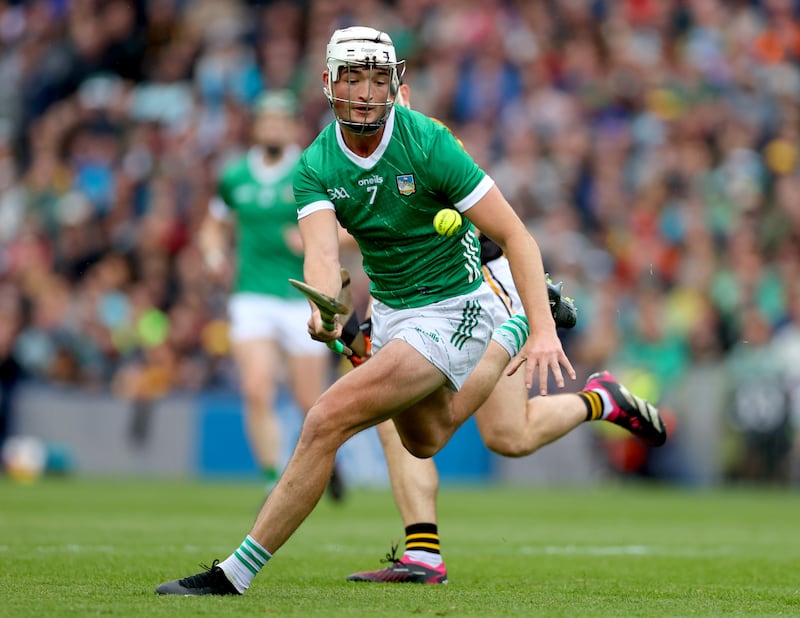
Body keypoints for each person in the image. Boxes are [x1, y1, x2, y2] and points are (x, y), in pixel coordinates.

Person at [154, 26, 654, 596]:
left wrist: (543, 330)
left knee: (324, 419)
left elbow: (516, 235)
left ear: (396, 84)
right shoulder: (316, 165)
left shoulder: (429, 142)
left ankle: (234, 574)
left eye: (377, 78)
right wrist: (325, 307)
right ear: (328, 83)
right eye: (353, 78)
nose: (366, 92)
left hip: (458, 304)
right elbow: (320, 254)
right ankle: (598, 397)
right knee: (437, 437)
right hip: (393, 310)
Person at [342, 84, 667, 584]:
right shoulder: (357, 156)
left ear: (402, 93)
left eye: (382, 90)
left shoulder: (431, 143)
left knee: (507, 437)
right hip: (418, 304)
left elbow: (480, 236)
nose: (369, 102)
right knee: (418, 420)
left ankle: (597, 400)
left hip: (479, 289)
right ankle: (424, 552)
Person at [198, 90, 344, 500]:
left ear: (294, 126)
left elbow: (346, 230)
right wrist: (212, 253)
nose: (273, 128)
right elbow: (214, 224)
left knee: (308, 400)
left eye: (281, 122)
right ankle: (271, 478)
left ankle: (329, 465)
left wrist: (313, 241)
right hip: (252, 295)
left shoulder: (311, 168)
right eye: (267, 121)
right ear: (256, 127)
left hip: (303, 295)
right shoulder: (235, 176)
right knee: (256, 388)